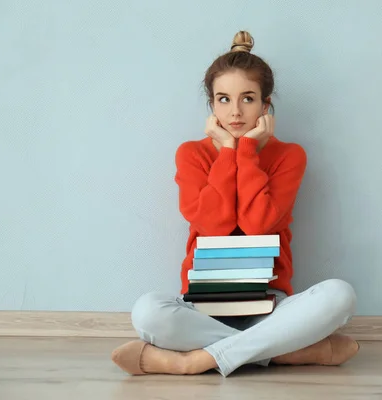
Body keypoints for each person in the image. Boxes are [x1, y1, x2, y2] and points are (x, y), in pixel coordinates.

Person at [110, 31, 359, 378]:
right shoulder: (192, 154)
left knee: (340, 295)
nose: (236, 112)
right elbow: (214, 226)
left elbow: (258, 225)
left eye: (248, 99)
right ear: (212, 105)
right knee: (147, 312)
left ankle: (194, 361)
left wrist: (246, 152)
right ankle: (282, 351)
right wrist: (229, 151)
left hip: (270, 302)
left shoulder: (289, 155)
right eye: (224, 99)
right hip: (201, 304)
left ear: (265, 104)